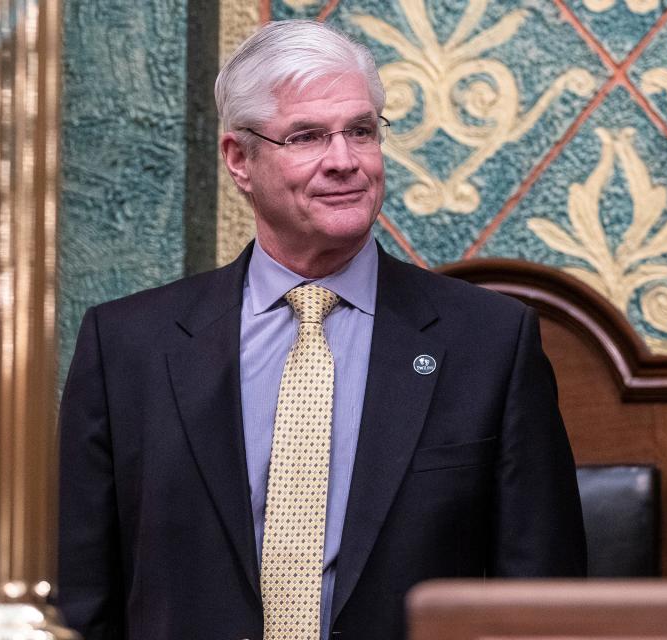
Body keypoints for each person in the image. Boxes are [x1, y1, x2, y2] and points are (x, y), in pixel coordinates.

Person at [57, 19, 586, 640]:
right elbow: (78, 603)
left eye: (361, 131)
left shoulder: (491, 342)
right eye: (307, 136)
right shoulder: (127, 346)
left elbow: (542, 603)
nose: (345, 161)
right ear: (238, 159)